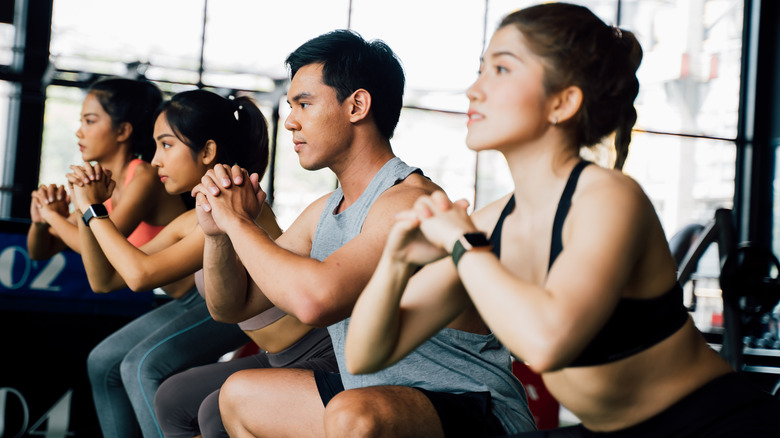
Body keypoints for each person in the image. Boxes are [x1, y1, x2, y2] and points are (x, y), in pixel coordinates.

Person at [344, 3, 780, 438]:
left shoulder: (607, 197)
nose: (474, 90)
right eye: (480, 70)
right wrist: (397, 262)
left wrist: (462, 244)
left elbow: (547, 342)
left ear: (563, 101)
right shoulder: (490, 225)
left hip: (716, 424)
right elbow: (366, 353)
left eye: (500, 70)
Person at [192, 29, 535, 438]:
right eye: (290, 106)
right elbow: (233, 306)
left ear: (357, 105)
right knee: (241, 396)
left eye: (304, 103)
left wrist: (239, 222)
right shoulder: (324, 211)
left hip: (470, 407)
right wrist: (216, 233)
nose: (291, 122)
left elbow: (314, 301)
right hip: (373, 397)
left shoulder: (408, 201)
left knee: (354, 414)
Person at [66, 89, 283, 438]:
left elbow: (140, 276)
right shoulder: (192, 217)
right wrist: (86, 210)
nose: (155, 160)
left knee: (142, 367)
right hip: (264, 344)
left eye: (166, 145)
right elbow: (105, 279)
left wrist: (93, 212)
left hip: (296, 351)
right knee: (105, 363)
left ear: (208, 151)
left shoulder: (231, 204)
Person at [27, 77, 185, 258]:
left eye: (90, 121)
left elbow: (97, 246)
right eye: (82, 121)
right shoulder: (101, 187)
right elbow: (39, 252)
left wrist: (51, 215)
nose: (79, 132)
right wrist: (40, 223)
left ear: (123, 131)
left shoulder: (145, 176)